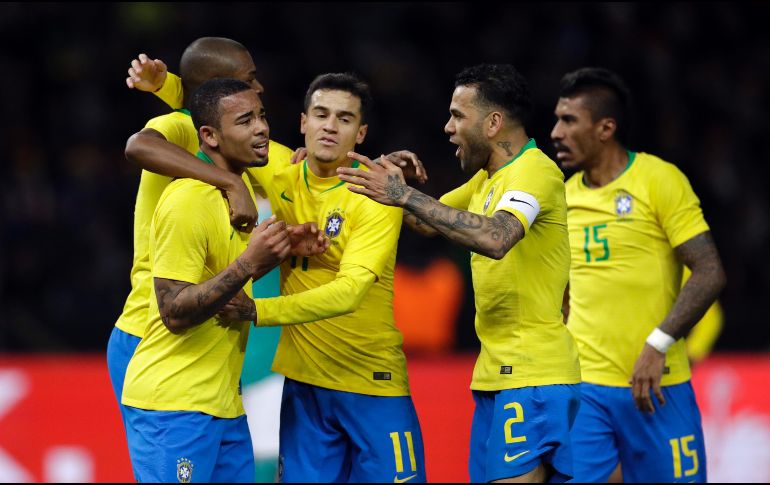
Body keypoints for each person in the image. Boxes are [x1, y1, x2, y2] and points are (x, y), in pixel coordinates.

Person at [135, 71, 428, 483]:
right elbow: (214, 116)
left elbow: (349, 293)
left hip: (372, 382)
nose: (330, 125)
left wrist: (257, 310)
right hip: (303, 386)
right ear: (303, 123)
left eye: (344, 119)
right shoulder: (275, 171)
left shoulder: (376, 195)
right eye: (321, 114)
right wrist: (164, 85)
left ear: (361, 134)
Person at [338, 63, 582, 483]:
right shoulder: (489, 180)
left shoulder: (534, 172)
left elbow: (497, 237)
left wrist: (406, 195)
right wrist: (387, 181)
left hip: (532, 374)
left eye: (457, 115)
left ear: (493, 122)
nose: (448, 127)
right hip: (498, 372)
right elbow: (426, 222)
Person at [121, 78, 327, 482]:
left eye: (262, 116)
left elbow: (222, 281)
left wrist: (284, 249)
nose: (262, 128)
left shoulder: (243, 192)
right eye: (245, 120)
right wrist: (249, 264)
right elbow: (174, 312)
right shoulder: (188, 201)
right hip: (174, 405)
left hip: (225, 405)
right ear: (209, 136)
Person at [106, 37, 296, 432]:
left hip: (211, 342)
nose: (258, 88)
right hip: (152, 335)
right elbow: (138, 145)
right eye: (249, 78)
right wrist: (230, 182)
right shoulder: (181, 129)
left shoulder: (244, 142)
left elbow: (302, 167)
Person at [550, 67, 726, 483]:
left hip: (658, 385)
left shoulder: (658, 179)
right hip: (586, 390)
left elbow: (710, 272)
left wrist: (658, 343)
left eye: (569, 120)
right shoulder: (562, 198)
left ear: (605, 128)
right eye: (556, 119)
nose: (556, 132)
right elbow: (563, 291)